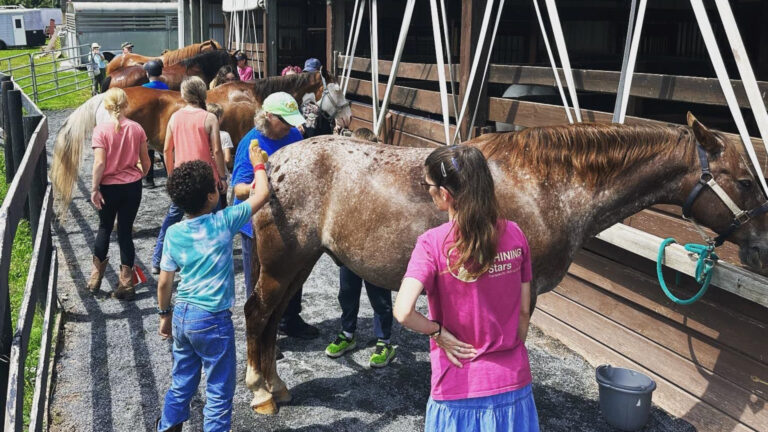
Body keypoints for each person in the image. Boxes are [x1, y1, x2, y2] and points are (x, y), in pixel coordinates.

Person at [393, 146, 540, 431]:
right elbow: (524, 311)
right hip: (514, 384)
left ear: (445, 194)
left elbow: (403, 311)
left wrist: (437, 332)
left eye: (428, 185)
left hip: (457, 388)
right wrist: (510, 352)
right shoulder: (515, 233)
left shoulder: (431, 243)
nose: (428, 191)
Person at [156, 146, 270, 431]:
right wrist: (258, 165)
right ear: (211, 195)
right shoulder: (224, 221)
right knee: (219, 389)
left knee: (182, 380)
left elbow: (165, 282)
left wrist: (164, 314)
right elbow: (262, 195)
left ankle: (167, 426)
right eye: (216, 185)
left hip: (182, 314)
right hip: (213, 320)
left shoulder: (173, 233)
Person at [231, 92, 319, 339]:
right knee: (259, 279)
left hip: (291, 220)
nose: (291, 126)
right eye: (286, 121)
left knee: (294, 272)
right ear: (268, 117)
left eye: (293, 121)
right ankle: (260, 330)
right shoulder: (250, 143)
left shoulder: (294, 135)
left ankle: (290, 319)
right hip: (257, 224)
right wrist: (262, 188)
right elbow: (238, 189)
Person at [325, 128, 395, 367]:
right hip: (349, 251)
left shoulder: (384, 184)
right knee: (347, 293)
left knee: (380, 298)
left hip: (375, 252)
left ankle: (384, 341)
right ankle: (348, 334)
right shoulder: (345, 181)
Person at [151, 77, 228, 275]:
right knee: (214, 220)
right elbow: (217, 151)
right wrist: (222, 177)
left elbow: (167, 149)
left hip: (182, 176)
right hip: (206, 177)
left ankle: (158, 259)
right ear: (202, 93)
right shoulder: (209, 118)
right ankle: (212, 259)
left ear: (184, 95)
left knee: (172, 218)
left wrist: (171, 174)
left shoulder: (174, 117)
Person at [88, 88, 151, 300]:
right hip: (132, 186)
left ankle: (95, 279)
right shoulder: (137, 128)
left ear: (106, 106)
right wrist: (140, 174)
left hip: (108, 187)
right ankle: (126, 283)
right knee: (125, 233)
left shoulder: (100, 131)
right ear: (125, 104)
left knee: (104, 228)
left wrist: (94, 188)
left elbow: (99, 163)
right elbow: (146, 161)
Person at [141, 60, 170, 188]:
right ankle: (169, 175)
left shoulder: (144, 88)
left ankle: (149, 180)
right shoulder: (166, 87)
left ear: (147, 73)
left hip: (149, 123)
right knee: (164, 150)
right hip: (164, 122)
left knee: (149, 152)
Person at [206, 103, 234, 170]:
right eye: (222, 117)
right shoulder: (224, 135)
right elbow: (227, 159)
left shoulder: (202, 135)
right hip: (221, 171)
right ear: (218, 119)